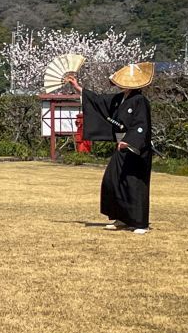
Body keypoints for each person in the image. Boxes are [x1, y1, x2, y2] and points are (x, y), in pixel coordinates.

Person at [65, 62, 154, 234]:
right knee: (112, 181)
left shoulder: (139, 101)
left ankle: (140, 223)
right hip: (121, 148)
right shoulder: (120, 99)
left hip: (136, 149)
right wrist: (78, 87)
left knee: (134, 184)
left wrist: (130, 141)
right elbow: (98, 101)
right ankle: (121, 217)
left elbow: (141, 125)